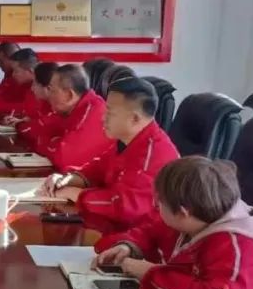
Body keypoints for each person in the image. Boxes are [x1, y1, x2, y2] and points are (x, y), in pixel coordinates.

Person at [95, 156, 253, 289]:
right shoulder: (199, 213)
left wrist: (150, 274)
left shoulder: (242, 248)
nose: (157, 208)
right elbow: (151, 231)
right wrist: (129, 246)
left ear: (183, 212)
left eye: (159, 203)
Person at [43, 77, 179, 232]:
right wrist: (69, 179)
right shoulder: (126, 140)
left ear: (134, 118)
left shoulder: (152, 154)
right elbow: (99, 168)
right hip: (113, 229)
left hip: (139, 236)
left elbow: (123, 207)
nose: (103, 118)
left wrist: (75, 194)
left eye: (110, 112)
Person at [36, 64, 112, 171]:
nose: (48, 95)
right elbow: (39, 134)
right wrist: (55, 142)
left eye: (51, 90)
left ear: (69, 95)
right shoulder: (68, 110)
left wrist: (53, 142)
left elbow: (65, 160)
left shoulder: (93, 111)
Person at [14, 61, 57, 148]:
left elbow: (29, 131)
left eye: (34, 83)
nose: (32, 88)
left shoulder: (58, 107)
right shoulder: (45, 104)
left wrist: (19, 124)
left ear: (47, 88)